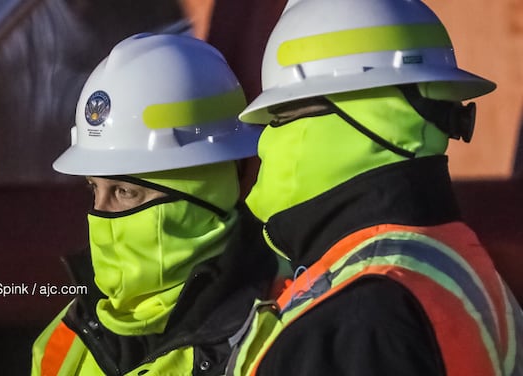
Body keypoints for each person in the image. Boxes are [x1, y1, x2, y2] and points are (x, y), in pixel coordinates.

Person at [225, 0, 523, 375]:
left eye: (283, 116)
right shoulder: (447, 255)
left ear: (354, 120)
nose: (269, 139)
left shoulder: (360, 317)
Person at [30, 33, 277, 375]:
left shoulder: (280, 334)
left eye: (124, 192)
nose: (100, 216)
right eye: (93, 189)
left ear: (207, 192)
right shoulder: (67, 338)